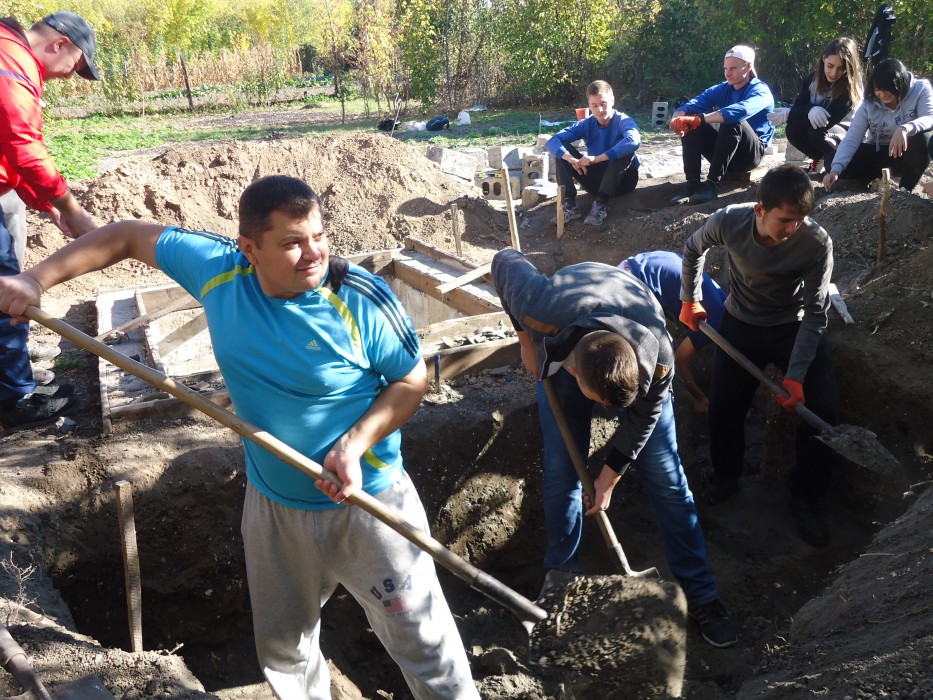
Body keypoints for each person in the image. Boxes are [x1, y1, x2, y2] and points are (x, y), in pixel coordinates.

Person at [0, 176, 480, 699]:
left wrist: (354, 444)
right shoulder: (219, 270)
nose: (312, 253)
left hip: (371, 505)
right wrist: (35, 279)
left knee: (425, 644)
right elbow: (126, 235)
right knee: (285, 647)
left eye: (319, 235)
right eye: (292, 242)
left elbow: (411, 381)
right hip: (274, 509)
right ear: (249, 249)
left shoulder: (359, 298)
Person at [491, 248, 737, 648]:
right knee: (562, 473)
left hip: (631, 330)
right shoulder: (538, 306)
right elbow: (504, 260)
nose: (605, 412)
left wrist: (608, 478)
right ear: (576, 372)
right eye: (600, 402)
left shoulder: (657, 360)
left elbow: (643, 419)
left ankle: (702, 594)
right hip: (566, 326)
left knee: (668, 479)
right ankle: (562, 585)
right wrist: (525, 340)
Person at [679, 164, 837, 548]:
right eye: (784, 220)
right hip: (741, 323)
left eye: (799, 220)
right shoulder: (728, 222)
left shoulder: (815, 243)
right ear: (760, 210)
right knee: (723, 408)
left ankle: (807, 497)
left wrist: (796, 374)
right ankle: (726, 476)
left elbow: (817, 313)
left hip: (792, 326)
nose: (791, 229)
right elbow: (692, 248)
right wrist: (690, 299)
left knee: (822, 414)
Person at [1, 11, 100, 429]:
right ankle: (15, 398)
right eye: (74, 68)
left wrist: (49, 205)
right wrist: (72, 209)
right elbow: (22, 144)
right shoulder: (11, 64)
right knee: (6, 288)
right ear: (60, 43)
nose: (66, 77)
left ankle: (12, 372)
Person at [620, 251, 727, 413]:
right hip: (630, 290)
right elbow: (679, 360)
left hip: (634, 266)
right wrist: (699, 398)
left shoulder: (723, 299)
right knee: (652, 352)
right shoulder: (714, 322)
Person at [669, 45, 774, 205]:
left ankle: (711, 185)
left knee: (732, 120)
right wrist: (677, 119)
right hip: (725, 152)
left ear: (748, 67)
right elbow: (692, 104)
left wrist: (701, 119)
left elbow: (739, 111)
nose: (728, 73)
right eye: (725, 68)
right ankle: (692, 184)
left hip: (750, 155)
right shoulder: (722, 88)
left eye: (733, 68)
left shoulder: (760, 90)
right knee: (688, 120)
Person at [823, 58, 933, 192]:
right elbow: (852, 138)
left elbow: (929, 117)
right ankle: (868, 181)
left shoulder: (920, 88)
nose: (882, 95)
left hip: (906, 154)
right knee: (832, 160)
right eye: (878, 90)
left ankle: (904, 189)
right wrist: (835, 170)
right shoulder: (869, 103)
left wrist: (905, 128)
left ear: (900, 85)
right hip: (879, 152)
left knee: (924, 140)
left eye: (888, 90)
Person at [545, 79, 640, 226]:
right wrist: (570, 159)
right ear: (589, 105)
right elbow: (553, 141)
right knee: (561, 151)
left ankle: (600, 205)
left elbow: (633, 141)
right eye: (594, 105)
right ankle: (569, 204)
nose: (599, 110)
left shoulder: (623, 120)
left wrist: (597, 158)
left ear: (612, 101)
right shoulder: (586, 124)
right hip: (596, 181)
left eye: (603, 104)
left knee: (624, 150)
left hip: (623, 181)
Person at [778, 37, 864, 173]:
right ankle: (819, 158)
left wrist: (796, 113)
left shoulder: (851, 86)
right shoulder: (811, 79)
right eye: (830, 66)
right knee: (792, 129)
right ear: (823, 58)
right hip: (818, 126)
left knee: (817, 133)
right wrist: (807, 110)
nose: (834, 73)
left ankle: (835, 163)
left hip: (846, 131)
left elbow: (830, 119)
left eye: (841, 68)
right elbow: (799, 106)